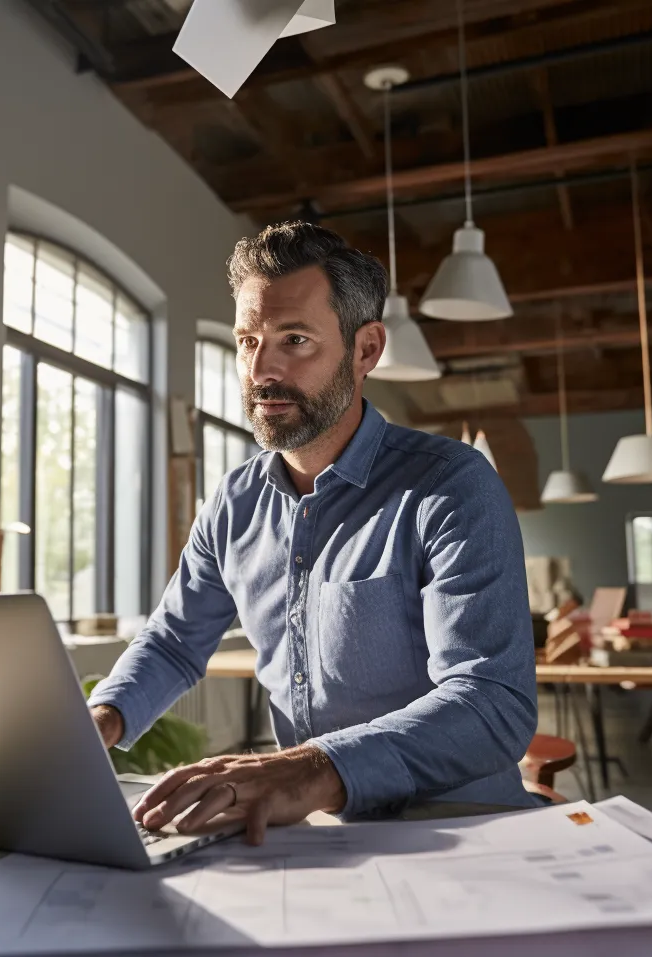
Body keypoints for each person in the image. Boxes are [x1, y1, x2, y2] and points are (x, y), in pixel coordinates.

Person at [88, 221, 537, 843]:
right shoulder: (234, 502)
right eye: (248, 341)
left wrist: (310, 767)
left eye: (294, 339)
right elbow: (172, 643)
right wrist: (98, 721)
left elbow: (492, 704)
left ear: (365, 350)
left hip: (459, 833)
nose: (261, 369)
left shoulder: (452, 486)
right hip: (321, 835)